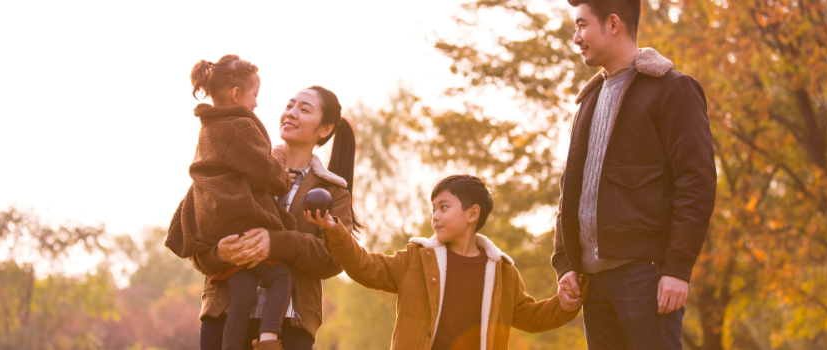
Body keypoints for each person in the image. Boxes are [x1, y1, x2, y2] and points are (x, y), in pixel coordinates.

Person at [551, 1, 717, 349]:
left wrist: (677, 267)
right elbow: (571, 190)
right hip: (592, 283)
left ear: (613, 23)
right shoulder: (589, 100)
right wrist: (565, 262)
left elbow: (696, 183)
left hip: (647, 276)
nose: (576, 37)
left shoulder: (673, 89)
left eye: (582, 25)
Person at [307, 174, 584, 350]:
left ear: (472, 213)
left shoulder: (502, 272)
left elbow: (531, 316)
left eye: (444, 207)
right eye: (433, 209)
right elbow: (365, 267)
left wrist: (563, 304)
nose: (435, 216)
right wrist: (334, 229)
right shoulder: (417, 259)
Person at [192, 86, 363, 350]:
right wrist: (218, 254)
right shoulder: (238, 164)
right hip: (223, 317)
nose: (291, 114)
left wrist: (278, 242)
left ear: (325, 129)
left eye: (304, 109)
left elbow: (335, 258)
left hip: (289, 326)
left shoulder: (334, 191)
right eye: (289, 106)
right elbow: (195, 234)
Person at [165, 54, 298, 350]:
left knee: (243, 294)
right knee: (280, 276)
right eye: (255, 95)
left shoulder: (208, 128)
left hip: (217, 224)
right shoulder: (239, 127)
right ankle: (268, 339)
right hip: (238, 219)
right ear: (237, 95)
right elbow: (264, 171)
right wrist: (282, 175)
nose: (256, 104)